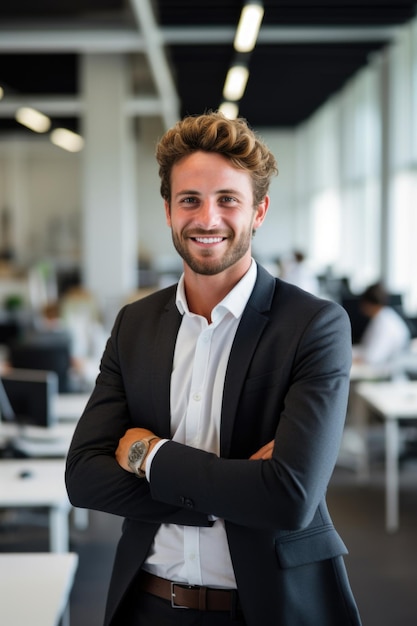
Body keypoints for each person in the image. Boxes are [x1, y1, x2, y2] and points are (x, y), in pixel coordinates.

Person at [65, 111, 362, 626]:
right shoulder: (136, 323)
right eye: (190, 200)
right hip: (148, 603)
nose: (207, 219)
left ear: (259, 211)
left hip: (271, 607)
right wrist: (239, 488)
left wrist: (149, 454)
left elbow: (289, 498)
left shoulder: (314, 325)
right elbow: (84, 479)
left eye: (228, 199)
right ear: (168, 211)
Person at [352, 281, 411, 368]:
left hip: (385, 370)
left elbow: (372, 357)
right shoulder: (384, 316)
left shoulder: (384, 323)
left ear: (368, 304)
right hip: (384, 366)